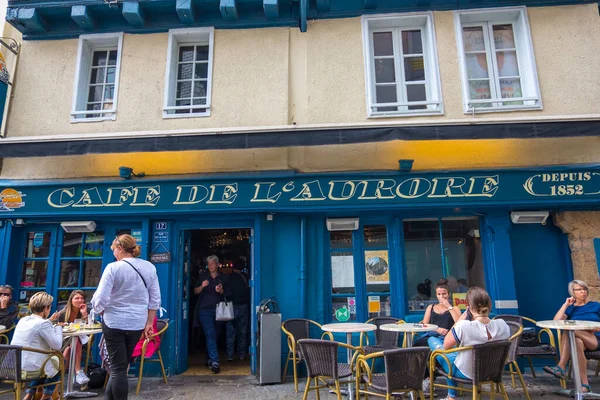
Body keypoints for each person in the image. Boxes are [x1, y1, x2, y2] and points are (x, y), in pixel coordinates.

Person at [92, 234, 161, 400]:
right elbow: (155, 299)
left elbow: (100, 298)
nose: (114, 254)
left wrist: (98, 309)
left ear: (120, 248)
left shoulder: (113, 268)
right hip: (136, 323)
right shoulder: (149, 267)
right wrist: (149, 323)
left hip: (114, 322)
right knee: (121, 368)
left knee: (117, 369)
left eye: (114, 250)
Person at [428, 286, 510, 400]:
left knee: (433, 342)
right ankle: (451, 396)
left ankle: (451, 396)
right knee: (453, 354)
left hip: (467, 373)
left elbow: (446, 346)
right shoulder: (503, 325)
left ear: (470, 307)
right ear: (489, 305)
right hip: (494, 371)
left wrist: (460, 320)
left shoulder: (464, 326)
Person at [543, 279, 600, 393]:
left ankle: (561, 366)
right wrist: (565, 305)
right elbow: (556, 321)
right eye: (579, 289)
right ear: (573, 292)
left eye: (584, 289)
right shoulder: (571, 308)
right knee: (576, 342)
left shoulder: (595, 306)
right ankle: (585, 385)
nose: (583, 292)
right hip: (579, 341)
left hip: (595, 339)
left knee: (569, 330)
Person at [11, 292, 64, 400]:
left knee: (47, 365)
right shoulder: (43, 324)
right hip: (28, 369)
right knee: (59, 361)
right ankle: (47, 396)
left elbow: (37, 326)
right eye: (49, 307)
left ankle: (30, 393)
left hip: (13, 367)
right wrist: (58, 327)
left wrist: (49, 321)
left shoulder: (23, 320)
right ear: (45, 308)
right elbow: (57, 345)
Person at [49, 290, 90, 385]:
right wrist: (61, 324)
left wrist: (84, 315)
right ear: (71, 300)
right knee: (68, 349)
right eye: (77, 298)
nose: (80, 300)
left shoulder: (84, 311)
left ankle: (55, 384)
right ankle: (78, 372)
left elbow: (90, 327)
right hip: (63, 340)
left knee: (73, 343)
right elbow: (53, 327)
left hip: (82, 340)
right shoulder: (63, 313)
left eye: (82, 298)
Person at [193, 255, 225, 373]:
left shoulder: (222, 277)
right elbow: (195, 291)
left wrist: (221, 290)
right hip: (204, 310)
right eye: (209, 264)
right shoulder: (203, 276)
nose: (210, 266)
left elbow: (228, 292)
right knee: (210, 333)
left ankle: (209, 358)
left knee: (215, 335)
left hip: (219, 310)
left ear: (217, 264)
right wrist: (202, 286)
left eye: (212, 263)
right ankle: (215, 361)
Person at [414, 279, 461, 347]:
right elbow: (424, 325)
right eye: (439, 294)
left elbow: (459, 324)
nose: (441, 297)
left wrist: (449, 307)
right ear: (436, 295)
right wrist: (437, 329)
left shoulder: (454, 308)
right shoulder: (431, 307)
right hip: (431, 336)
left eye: (444, 294)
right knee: (419, 343)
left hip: (447, 338)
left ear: (449, 294)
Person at [224, 264, 250, 361]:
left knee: (230, 332)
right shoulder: (244, 278)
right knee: (242, 332)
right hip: (243, 305)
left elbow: (225, 292)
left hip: (231, 306)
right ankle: (242, 355)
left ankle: (230, 355)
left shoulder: (228, 278)